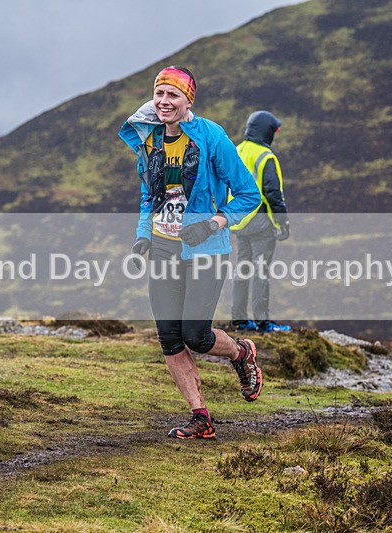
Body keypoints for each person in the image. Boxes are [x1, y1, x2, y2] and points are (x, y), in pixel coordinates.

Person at [119, 66, 263, 439]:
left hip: (205, 249)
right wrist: (142, 236)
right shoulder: (148, 138)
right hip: (163, 249)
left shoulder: (210, 136)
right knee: (169, 336)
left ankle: (241, 353)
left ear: (188, 101)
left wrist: (213, 223)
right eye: (159, 94)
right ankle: (201, 417)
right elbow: (149, 195)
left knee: (196, 336)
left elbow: (248, 194)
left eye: (173, 96)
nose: (164, 102)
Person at [230, 110, 292, 334]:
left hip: (239, 222)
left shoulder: (236, 150)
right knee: (260, 271)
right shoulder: (265, 156)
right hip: (260, 222)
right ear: (267, 132)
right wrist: (283, 223)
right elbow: (274, 194)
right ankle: (263, 322)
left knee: (242, 269)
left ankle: (239, 320)